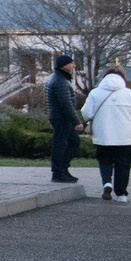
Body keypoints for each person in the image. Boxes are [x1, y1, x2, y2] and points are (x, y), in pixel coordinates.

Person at [81, 66, 131, 201]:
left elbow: (86, 113)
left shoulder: (95, 93)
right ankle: (121, 194)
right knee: (123, 164)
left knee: (105, 160)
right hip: (125, 137)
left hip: (103, 134)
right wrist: (130, 125)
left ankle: (107, 182)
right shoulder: (129, 94)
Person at [46, 53, 84, 184]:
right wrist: (76, 121)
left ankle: (62, 169)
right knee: (62, 144)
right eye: (71, 63)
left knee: (71, 142)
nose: (74, 65)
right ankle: (59, 172)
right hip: (61, 117)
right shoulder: (60, 80)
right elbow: (66, 103)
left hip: (60, 117)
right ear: (64, 66)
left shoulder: (59, 77)